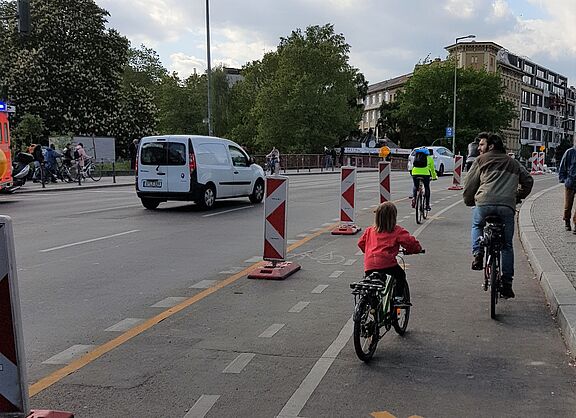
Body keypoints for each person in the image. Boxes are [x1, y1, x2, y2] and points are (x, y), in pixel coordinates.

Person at [463, 133, 534, 299]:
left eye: (481, 145)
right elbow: (528, 181)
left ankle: (478, 253)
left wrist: (469, 201)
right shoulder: (513, 163)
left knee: (477, 225)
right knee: (507, 245)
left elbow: (469, 185)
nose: (479, 148)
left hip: (484, 203)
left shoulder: (480, 161)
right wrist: (517, 196)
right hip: (506, 206)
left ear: (491, 146)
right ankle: (507, 284)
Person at [357, 202, 422, 302]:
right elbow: (410, 242)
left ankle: (371, 303)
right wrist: (416, 249)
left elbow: (361, 243)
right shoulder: (397, 231)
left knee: (370, 284)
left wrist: (369, 252)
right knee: (400, 276)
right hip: (387, 264)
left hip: (369, 264)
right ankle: (398, 298)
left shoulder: (370, 230)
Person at [410, 147, 437, 211]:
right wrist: (434, 177)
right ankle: (427, 205)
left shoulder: (416, 157)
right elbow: (432, 169)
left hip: (415, 174)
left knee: (415, 186)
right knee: (427, 187)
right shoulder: (430, 159)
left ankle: (414, 198)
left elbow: (413, 166)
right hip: (425, 175)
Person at [558, 142, 576, 233]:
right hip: (570, 182)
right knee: (568, 205)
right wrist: (563, 180)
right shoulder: (570, 152)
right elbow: (562, 166)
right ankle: (567, 221)